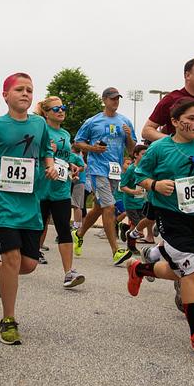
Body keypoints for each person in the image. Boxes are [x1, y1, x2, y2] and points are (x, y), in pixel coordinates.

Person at [125, 98, 194, 352]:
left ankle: (140, 269)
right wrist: (155, 185)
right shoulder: (160, 148)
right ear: (174, 122)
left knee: (182, 269)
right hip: (169, 215)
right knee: (190, 271)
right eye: (191, 118)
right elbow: (139, 175)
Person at [0, 73, 55, 345]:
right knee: (12, 257)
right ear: (6, 95)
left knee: (29, 264)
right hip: (1, 200)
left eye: (30, 90)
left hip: (29, 201)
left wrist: (49, 165)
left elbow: (46, 150)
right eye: (19, 89)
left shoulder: (40, 124)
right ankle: (7, 320)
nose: (25, 93)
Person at [72, 87, 136, 265]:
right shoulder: (93, 121)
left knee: (99, 207)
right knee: (109, 206)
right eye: (112, 98)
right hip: (97, 168)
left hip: (114, 170)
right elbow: (78, 142)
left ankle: (78, 235)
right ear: (104, 100)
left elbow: (132, 150)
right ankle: (116, 251)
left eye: (117, 98)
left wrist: (129, 137)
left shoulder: (125, 121)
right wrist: (93, 148)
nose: (115, 101)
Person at [35, 96, 86, 288]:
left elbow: (64, 157)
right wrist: (44, 151)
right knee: (37, 227)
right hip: (42, 188)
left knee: (64, 228)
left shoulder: (65, 133)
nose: (61, 111)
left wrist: (73, 164)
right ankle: (12, 261)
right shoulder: (40, 129)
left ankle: (68, 273)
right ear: (46, 113)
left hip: (61, 189)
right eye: (56, 109)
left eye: (63, 107)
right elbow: (30, 151)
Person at [141, 57, 194, 141]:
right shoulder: (171, 99)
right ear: (187, 75)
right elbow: (147, 131)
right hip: (180, 152)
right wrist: (174, 141)